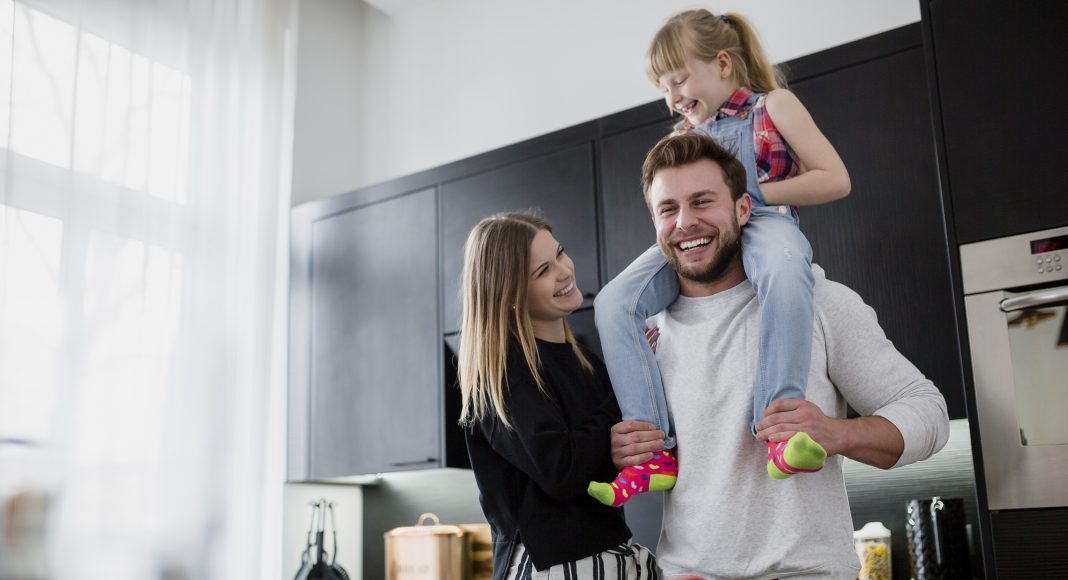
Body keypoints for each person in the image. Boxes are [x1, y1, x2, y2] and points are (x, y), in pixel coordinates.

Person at [611, 132, 949, 578]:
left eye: (703, 202)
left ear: (743, 208)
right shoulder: (647, 336)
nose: (685, 222)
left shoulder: (820, 303)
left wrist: (836, 434)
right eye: (668, 209)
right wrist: (624, 449)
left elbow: (930, 413)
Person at [589, 9, 852, 507]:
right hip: (699, 237)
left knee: (782, 269)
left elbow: (835, 179)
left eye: (679, 79)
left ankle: (780, 431)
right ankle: (656, 454)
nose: (672, 97)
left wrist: (746, 195)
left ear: (724, 64)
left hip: (768, 221)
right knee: (613, 302)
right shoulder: (679, 140)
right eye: (663, 87)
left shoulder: (775, 106)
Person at [458, 213, 660, 580]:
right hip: (554, 565)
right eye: (542, 271)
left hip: (607, 554)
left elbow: (602, 466)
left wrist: (636, 376)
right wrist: (621, 392)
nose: (565, 271)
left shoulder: (587, 362)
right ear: (510, 295)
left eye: (560, 254)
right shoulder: (501, 374)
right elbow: (561, 472)